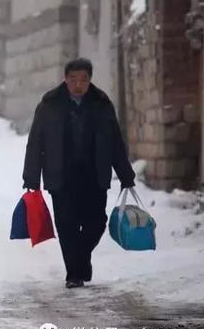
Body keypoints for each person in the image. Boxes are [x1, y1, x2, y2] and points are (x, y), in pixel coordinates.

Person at [22, 58, 135, 289]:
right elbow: (35, 142)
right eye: (73, 79)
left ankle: (80, 260)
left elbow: (115, 142)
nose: (78, 84)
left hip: (94, 175)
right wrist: (31, 177)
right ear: (65, 79)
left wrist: (125, 174)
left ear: (89, 80)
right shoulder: (50, 104)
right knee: (67, 225)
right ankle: (74, 274)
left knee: (96, 222)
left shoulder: (101, 103)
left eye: (83, 79)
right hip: (60, 174)